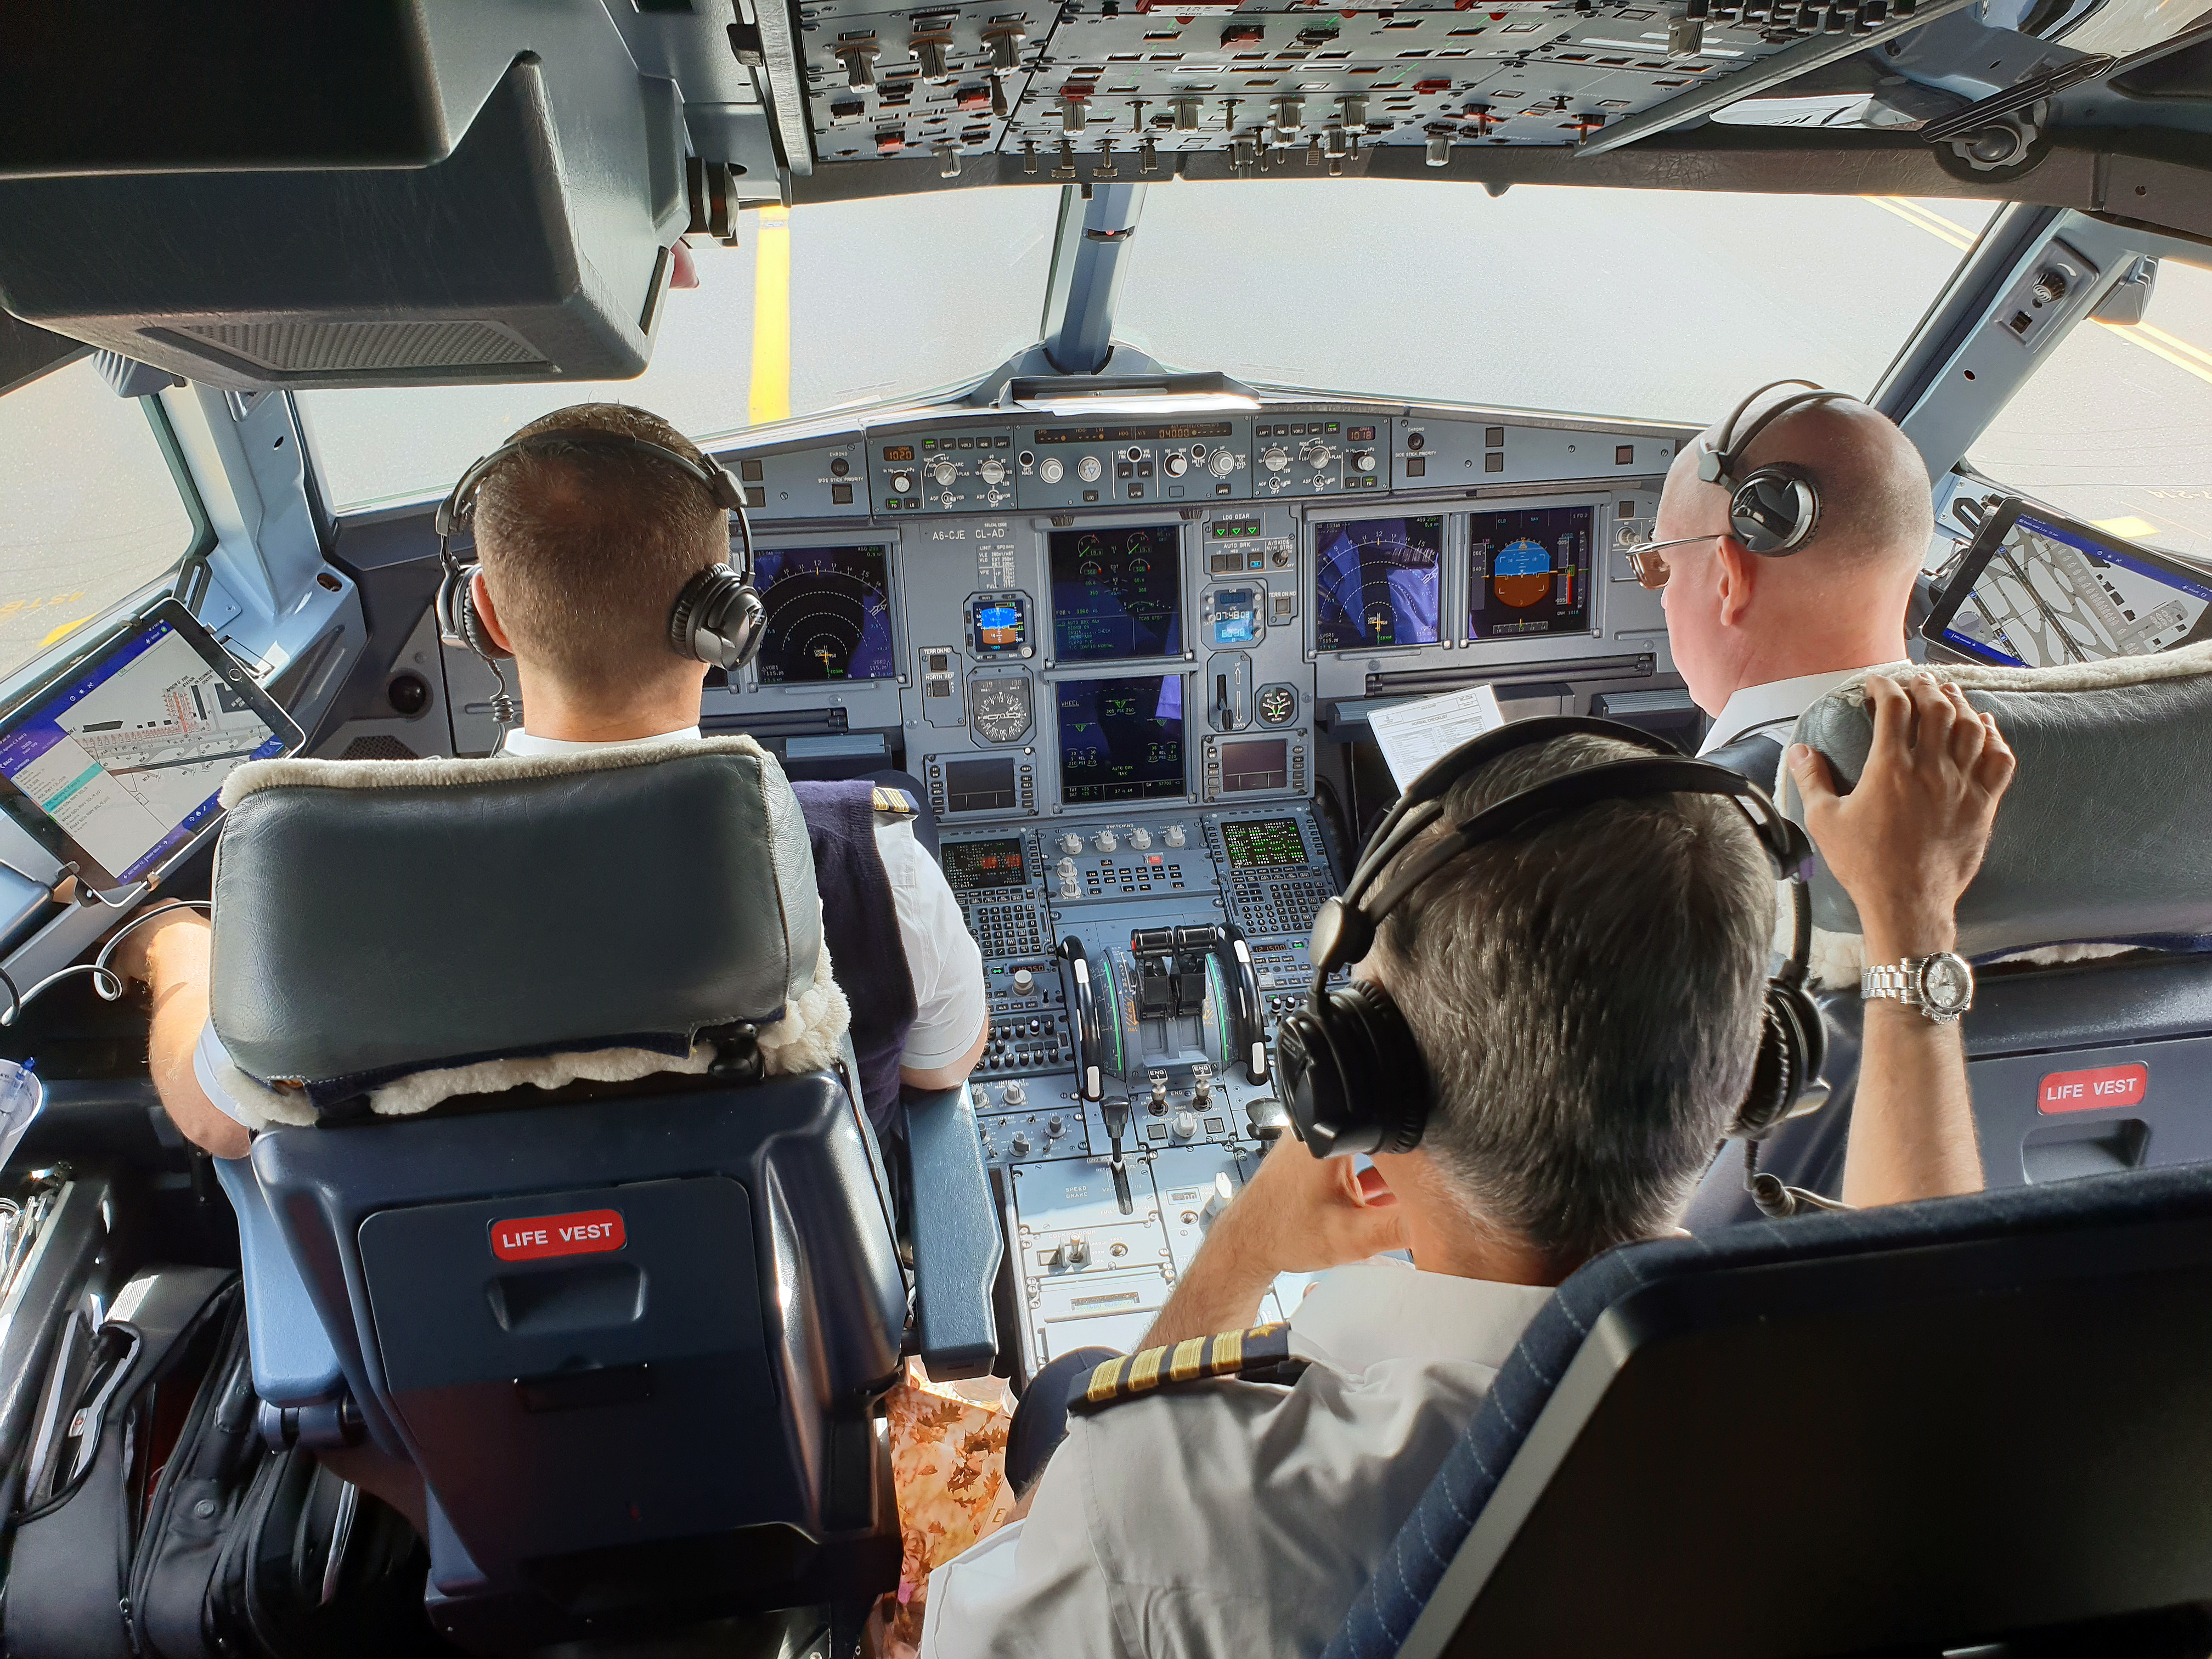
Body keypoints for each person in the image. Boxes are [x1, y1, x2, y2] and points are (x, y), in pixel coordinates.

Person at [919, 673, 2013, 1659]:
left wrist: (1242, 1250)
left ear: (1355, 1088)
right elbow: (1927, 1313)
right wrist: (1912, 920)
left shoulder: (1158, 1500)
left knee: (1067, 1394)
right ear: (1750, 1081)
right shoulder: (1871, 1437)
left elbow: (966, 1639)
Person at [112, 403, 988, 1164]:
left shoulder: (325, 883)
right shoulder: (877, 864)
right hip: (795, 1338)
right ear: (724, 618)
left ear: (482, 614)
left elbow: (215, 1122)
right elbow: (941, 1068)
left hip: (452, 1344)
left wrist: (177, 951)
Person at [1636, 380, 1934, 778]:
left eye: (1668, 567)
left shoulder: (1694, 817)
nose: (1665, 600)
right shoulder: (2018, 734)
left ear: (1730, 582)